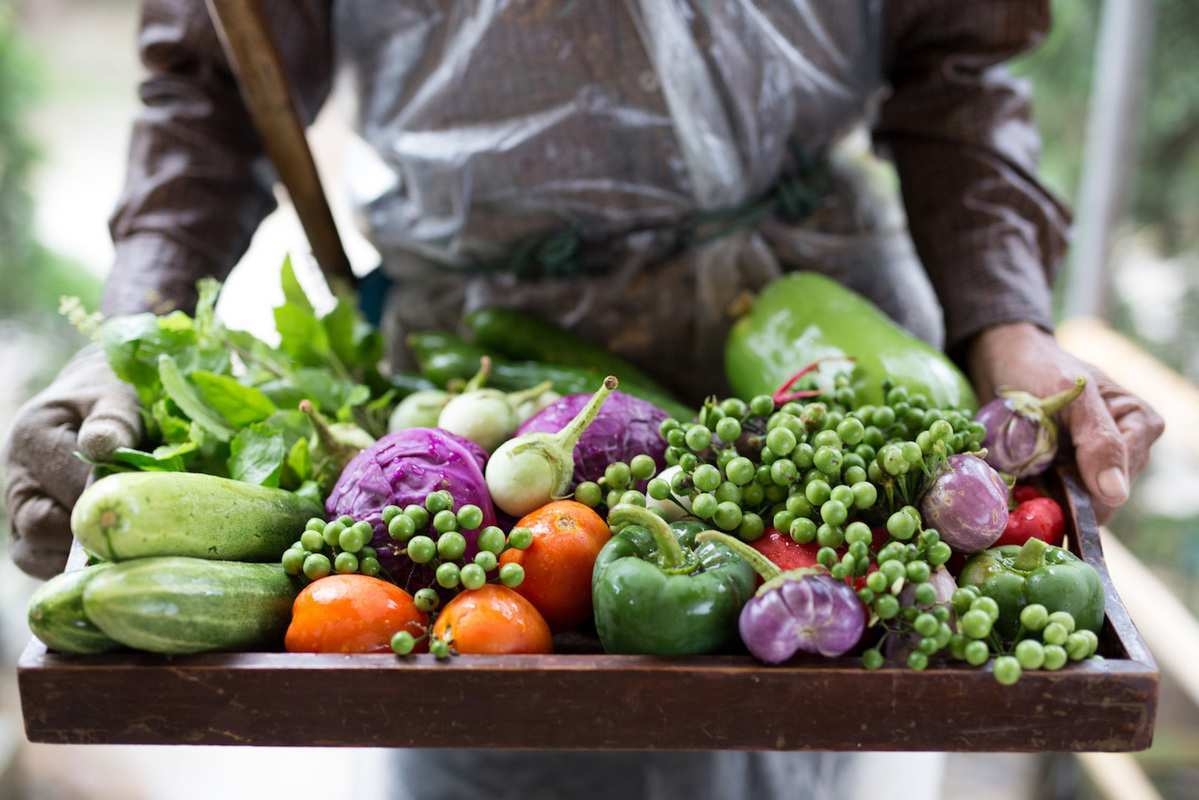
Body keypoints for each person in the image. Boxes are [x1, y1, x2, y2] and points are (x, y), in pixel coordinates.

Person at [4, 2, 1163, 798]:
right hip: (463, 380)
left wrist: (1009, 327)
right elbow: (214, 81)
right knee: (479, 717)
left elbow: (957, 64)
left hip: (803, 356)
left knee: (798, 716)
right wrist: (129, 336)